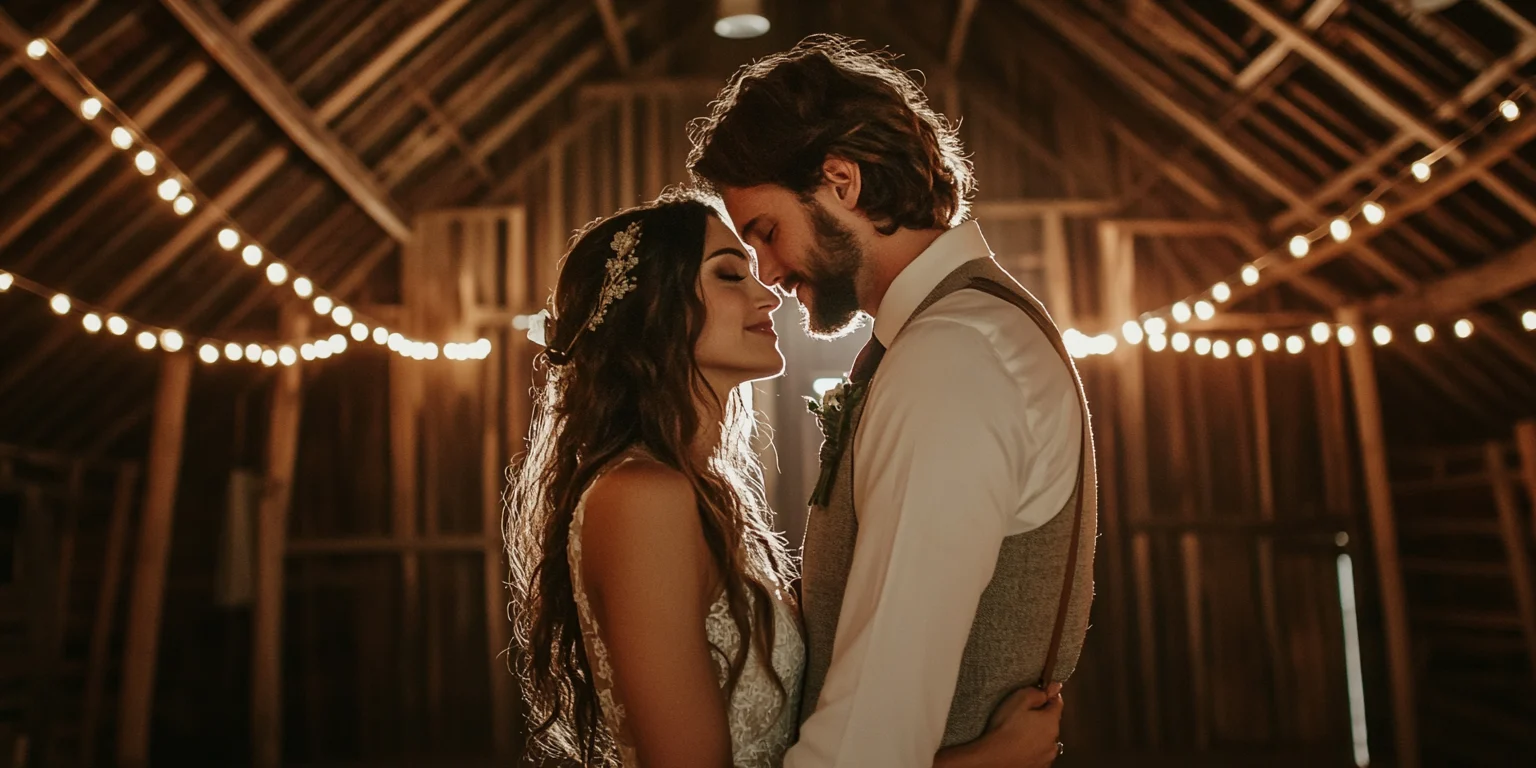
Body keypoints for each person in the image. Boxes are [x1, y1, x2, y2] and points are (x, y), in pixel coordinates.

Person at [505, 191, 1065, 767]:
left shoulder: (703, 491)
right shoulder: (642, 497)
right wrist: (987, 760)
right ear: (654, 308)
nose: (766, 293)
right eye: (728, 275)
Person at [687, 34, 1097, 767]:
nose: (771, 274)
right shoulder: (949, 338)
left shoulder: (951, 359)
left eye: (768, 233)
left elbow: (869, 738)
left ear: (841, 182)